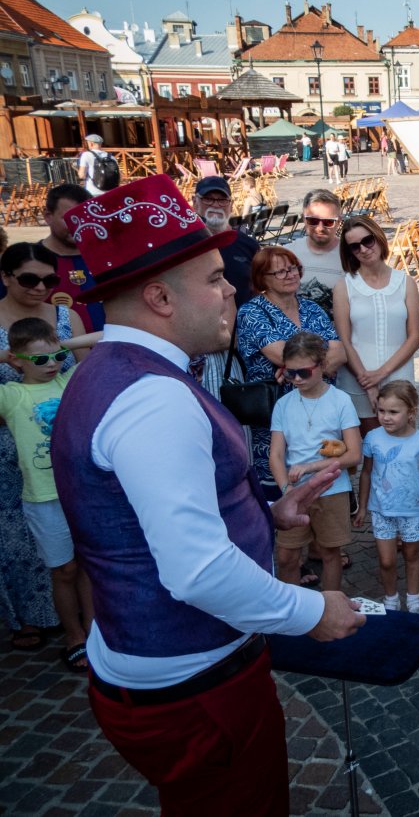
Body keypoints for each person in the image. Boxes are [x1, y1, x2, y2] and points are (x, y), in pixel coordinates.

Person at [52, 175, 363, 815]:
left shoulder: (116, 372)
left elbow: (153, 517)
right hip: (195, 683)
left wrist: (267, 514)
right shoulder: (153, 398)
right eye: (217, 278)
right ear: (160, 297)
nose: (231, 292)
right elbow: (197, 570)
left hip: (166, 668)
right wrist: (311, 611)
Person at [0, 242, 88, 654]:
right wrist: (9, 357)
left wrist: (62, 347)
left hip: (69, 468)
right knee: (26, 545)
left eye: (49, 280)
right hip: (17, 458)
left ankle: (89, 626)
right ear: (5, 277)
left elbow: (89, 363)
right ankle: (40, 621)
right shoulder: (12, 391)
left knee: (81, 559)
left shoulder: (64, 324)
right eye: (29, 279)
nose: (40, 288)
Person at [236, 247, 346, 498]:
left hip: (319, 413)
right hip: (276, 415)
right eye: (281, 271)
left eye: (293, 268)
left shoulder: (312, 308)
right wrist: (317, 364)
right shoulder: (252, 312)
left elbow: (340, 353)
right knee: (280, 493)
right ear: (263, 279)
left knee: (324, 485)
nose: (291, 274)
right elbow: (279, 354)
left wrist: (294, 369)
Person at [269, 332, 362, 592]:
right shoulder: (283, 404)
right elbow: (276, 455)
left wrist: (310, 467)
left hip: (332, 490)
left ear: (322, 365)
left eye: (304, 372)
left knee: (330, 553)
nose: (297, 379)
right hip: (295, 493)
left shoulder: (340, 400)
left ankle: (330, 605)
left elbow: (354, 454)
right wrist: (287, 489)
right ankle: (294, 609)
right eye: (290, 373)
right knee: (286, 556)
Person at [355, 381, 419, 614]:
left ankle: (414, 599)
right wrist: (362, 507)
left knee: (412, 555)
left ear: (411, 412)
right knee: (386, 560)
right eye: (381, 411)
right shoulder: (372, 437)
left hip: (411, 510)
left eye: (393, 412)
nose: (385, 417)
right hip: (381, 509)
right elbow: (366, 472)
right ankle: (391, 598)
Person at [333, 216, 419, 428]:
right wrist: (369, 384)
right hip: (359, 381)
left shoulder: (406, 283)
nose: (364, 249)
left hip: (399, 378)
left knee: (403, 441)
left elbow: (415, 338)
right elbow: (345, 341)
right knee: (367, 445)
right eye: (355, 246)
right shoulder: (344, 286)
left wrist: (381, 374)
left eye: (367, 240)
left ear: (378, 238)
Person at [40, 183, 104, 332]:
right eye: (69, 218)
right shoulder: (28, 262)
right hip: (58, 347)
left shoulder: (107, 257)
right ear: (48, 217)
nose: (78, 224)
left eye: (84, 217)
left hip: (111, 345)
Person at [195, 176, 260, 308]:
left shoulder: (248, 245)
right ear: (195, 202)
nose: (215, 205)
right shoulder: (186, 247)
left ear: (231, 205)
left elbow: (261, 287)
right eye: (208, 199)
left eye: (222, 200)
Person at [286, 189, 345, 318]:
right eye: (312, 221)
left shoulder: (351, 255)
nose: (320, 228)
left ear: (339, 222)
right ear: (303, 219)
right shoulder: (288, 254)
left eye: (328, 222)